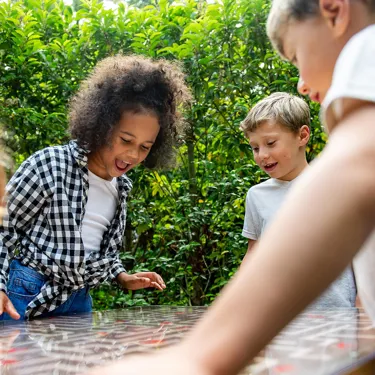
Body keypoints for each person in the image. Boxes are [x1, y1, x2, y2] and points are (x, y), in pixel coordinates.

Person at [87, 0, 375, 374]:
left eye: (296, 54)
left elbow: (355, 170)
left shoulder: (367, 46)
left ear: (334, 10)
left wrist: (199, 358)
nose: (302, 82)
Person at [0, 55, 191, 320]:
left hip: (78, 301)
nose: (134, 155)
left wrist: (122, 276)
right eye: (126, 140)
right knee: (17, 363)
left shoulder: (121, 187)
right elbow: (3, 230)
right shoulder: (49, 164)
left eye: (145, 147)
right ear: (103, 125)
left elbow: (98, 253)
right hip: (27, 293)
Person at [241, 92, 356, 309]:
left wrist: (364, 311)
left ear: (302, 136)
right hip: (275, 318)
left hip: (337, 317)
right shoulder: (256, 196)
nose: (262, 155)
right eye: (255, 147)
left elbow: (358, 255)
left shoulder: (337, 187)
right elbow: (253, 255)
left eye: (271, 143)